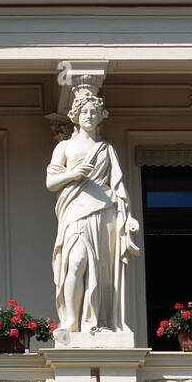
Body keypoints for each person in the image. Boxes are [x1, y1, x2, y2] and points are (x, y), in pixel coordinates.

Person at [46, 86, 140, 334]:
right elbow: (50, 182)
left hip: (104, 211)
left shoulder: (107, 149)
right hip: (75, 209)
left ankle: (96, 322)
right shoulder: (65, 147)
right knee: (76, 262)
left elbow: (118, 187)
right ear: (75, 115)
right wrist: (73, 174)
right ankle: (70, 321)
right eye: (84, 111)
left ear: (100, 117)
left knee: (101, 269)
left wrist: (127, 217)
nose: (89, 115)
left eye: (93, 112)